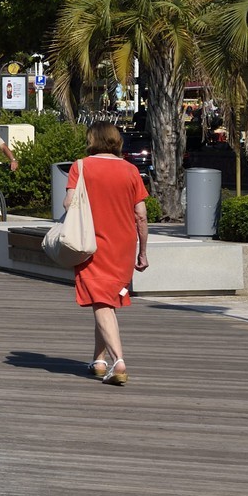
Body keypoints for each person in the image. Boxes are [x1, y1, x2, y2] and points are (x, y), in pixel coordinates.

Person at [66, 122, 148, 385]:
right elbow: (141, 215)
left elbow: (69, 203)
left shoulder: (81, 166)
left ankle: (118, 361)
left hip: (92, 244)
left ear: (92, 139)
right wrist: (142, 252)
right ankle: (99, 360)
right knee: (106, 302)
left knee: (101, 301)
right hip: (123, 245)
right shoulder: (131, 170)